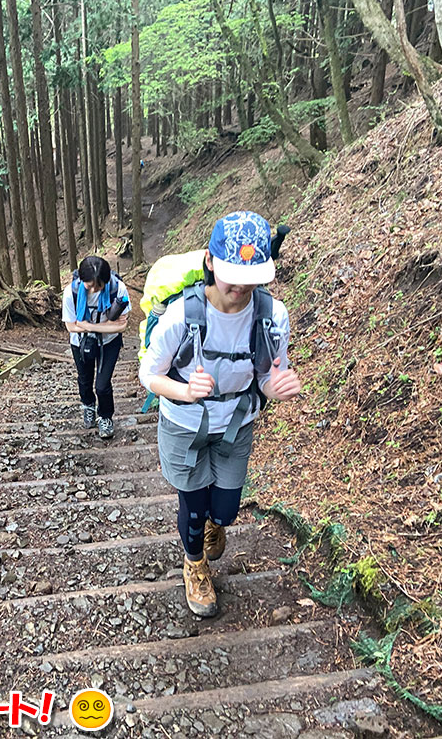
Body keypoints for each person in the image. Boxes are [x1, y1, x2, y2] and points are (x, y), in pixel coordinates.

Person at [138, 211, 302, 616]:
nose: (242, 286)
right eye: (233, 274)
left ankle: (212, 526)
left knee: (225, 510)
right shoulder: (181, 315)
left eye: (253, 276)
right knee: (193, 508)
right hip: (183, 425)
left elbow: (266, 373)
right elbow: (149, 374)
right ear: (210, 262)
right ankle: (194, 565)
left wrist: (275, 388)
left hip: (236, 424)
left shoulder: (271, 315)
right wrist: (185, 391)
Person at [62, 256, 131, 439]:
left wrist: (90, 326)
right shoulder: (72, 292)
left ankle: (106, 416)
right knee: (84, 379)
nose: (94, 290)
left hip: (109, 342)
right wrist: (108, 324)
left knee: (102, 384)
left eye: (99, 285)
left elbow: (122, 326)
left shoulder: (117, 289)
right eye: (89, 285)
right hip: (80, 342)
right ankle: (88, 405)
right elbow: (71, 326)